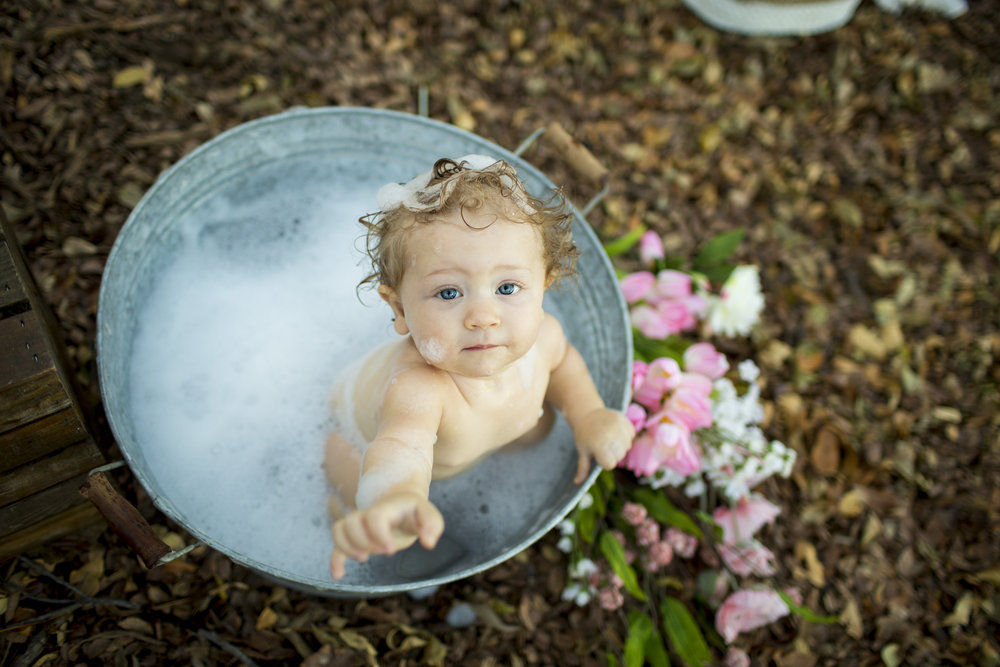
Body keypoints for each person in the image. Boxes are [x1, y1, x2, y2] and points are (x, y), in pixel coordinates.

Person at [324, 155, 634, 580]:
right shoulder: (418, 386)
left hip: (477, 441)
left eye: (507, 287)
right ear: (398, 308)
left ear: (544, 285)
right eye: (449, 293)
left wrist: (587, 414)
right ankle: (355, 523)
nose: (483, 316)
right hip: (353, 438)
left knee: (535, 423)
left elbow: (563, 364)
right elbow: (403, 446)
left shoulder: (543, 335)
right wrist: (395, 498)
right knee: (345, 474)